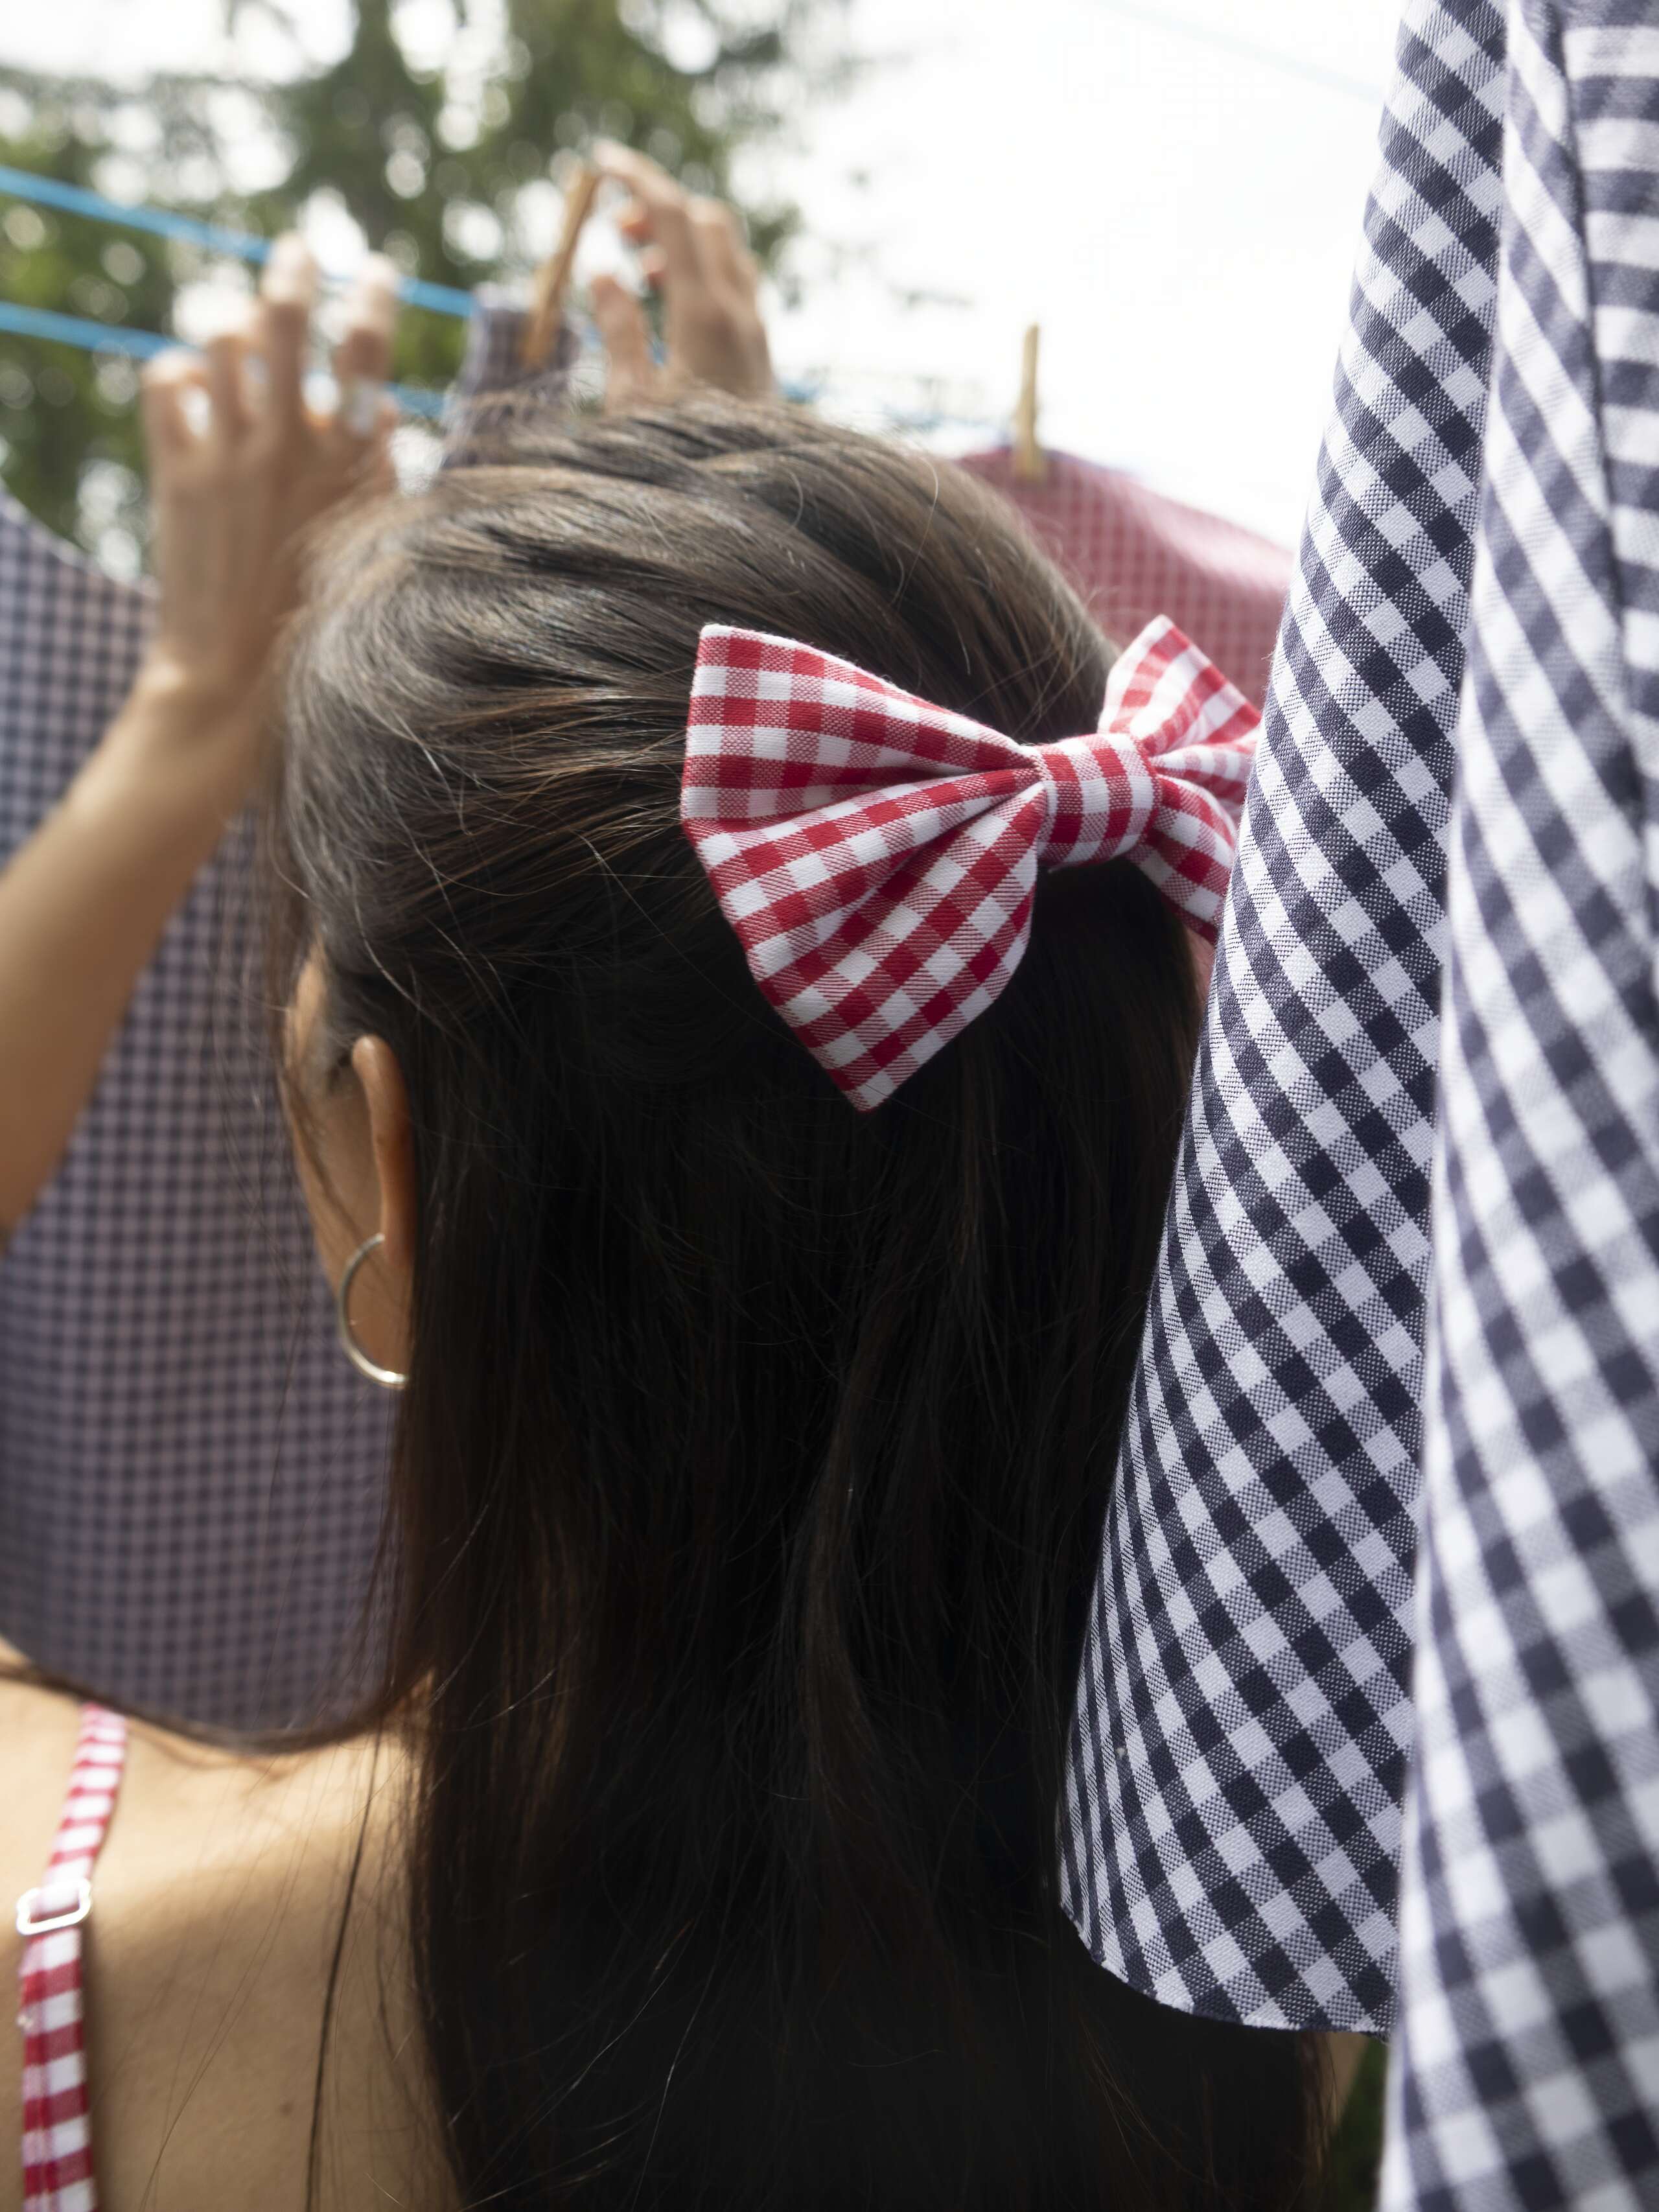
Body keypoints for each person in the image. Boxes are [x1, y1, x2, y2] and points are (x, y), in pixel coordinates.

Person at [1, 152, 1358, 2211]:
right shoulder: (1262, 2007)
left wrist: (194, 706)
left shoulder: (73, 1966)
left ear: (393, 1160)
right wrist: (746, 574)